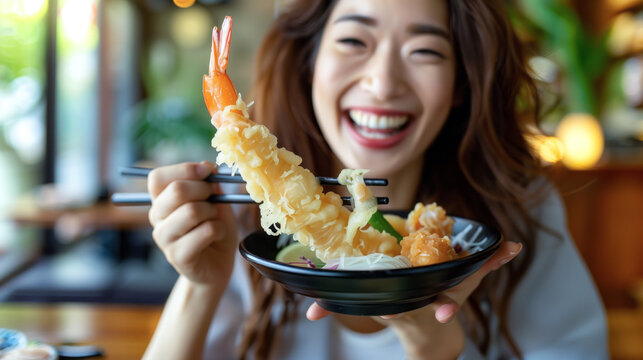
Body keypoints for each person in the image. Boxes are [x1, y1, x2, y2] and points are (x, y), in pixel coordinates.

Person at [142, 0, 608, 359]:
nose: (383, 83)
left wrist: (434, 348)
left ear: (462, 82)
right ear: (310, 62)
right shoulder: (244, 220)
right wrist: (200, 285)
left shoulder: (520, 213)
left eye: (424, 50)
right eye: (353, 42)